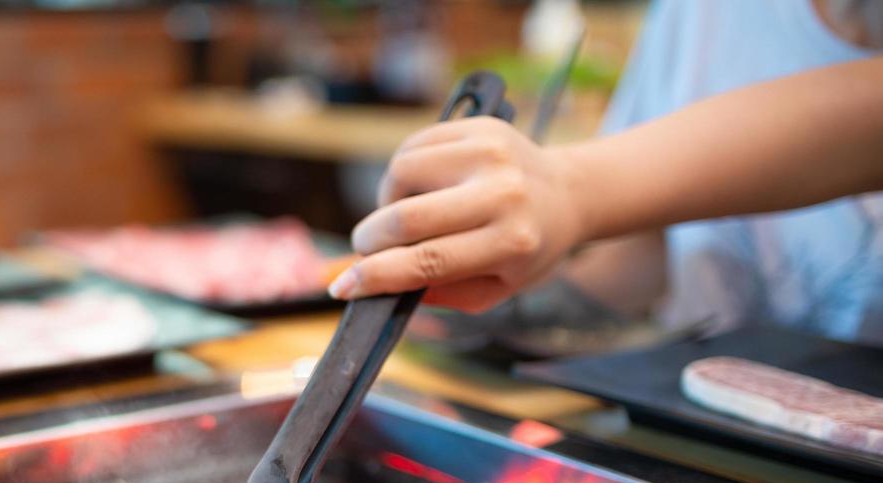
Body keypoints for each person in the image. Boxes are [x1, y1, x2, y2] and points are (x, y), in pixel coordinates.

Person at [329, 1, 883, 345]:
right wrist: (516, 293)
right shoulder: (701, 12)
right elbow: (656, 248)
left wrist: (566, 189)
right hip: (712, 432)